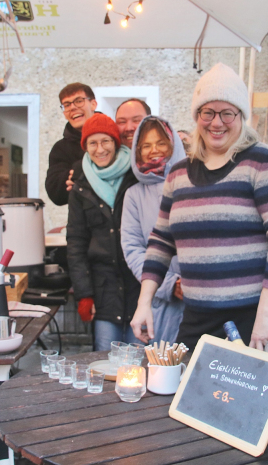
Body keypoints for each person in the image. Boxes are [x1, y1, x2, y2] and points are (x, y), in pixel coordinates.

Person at [130, 63, 268, 351]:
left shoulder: (265, 162)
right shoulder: (178, 174)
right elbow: (161, 241)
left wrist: (265, 316)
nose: (217, 122)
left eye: (227, 113)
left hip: (258, 314)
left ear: (241, 115)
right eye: (208, 112)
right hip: (200, 314)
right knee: (186, 379)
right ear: (197, 116)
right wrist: (144, 302)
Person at [67, 114, 140, 351]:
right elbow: (76, 243)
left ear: (116, 143)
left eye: (105, 141)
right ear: (85, 147)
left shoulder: (137, 176)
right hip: (103, 290)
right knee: (105, 361)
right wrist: (84, 295)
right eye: (93, 143)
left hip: (139, 287)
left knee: (139, 360)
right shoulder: (80, 186)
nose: (100, 149)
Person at [121, 116, 187, 344]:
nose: (154, 150)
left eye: (160, 143)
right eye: (146, 145)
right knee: (161, 363)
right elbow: (133, 249)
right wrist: (168, 284)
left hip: (198, 300)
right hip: (160, 303)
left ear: (173, 144)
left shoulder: (193, 183)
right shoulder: (134, 195)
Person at [45, 83, 97, 206]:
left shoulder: (115, 136)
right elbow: (55, 194)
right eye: (67, 105)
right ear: (64, 113)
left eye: (79, 101)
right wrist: (81, 169)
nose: (73, 107)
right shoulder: (60, 149)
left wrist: (78, 176)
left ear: (93, 104)